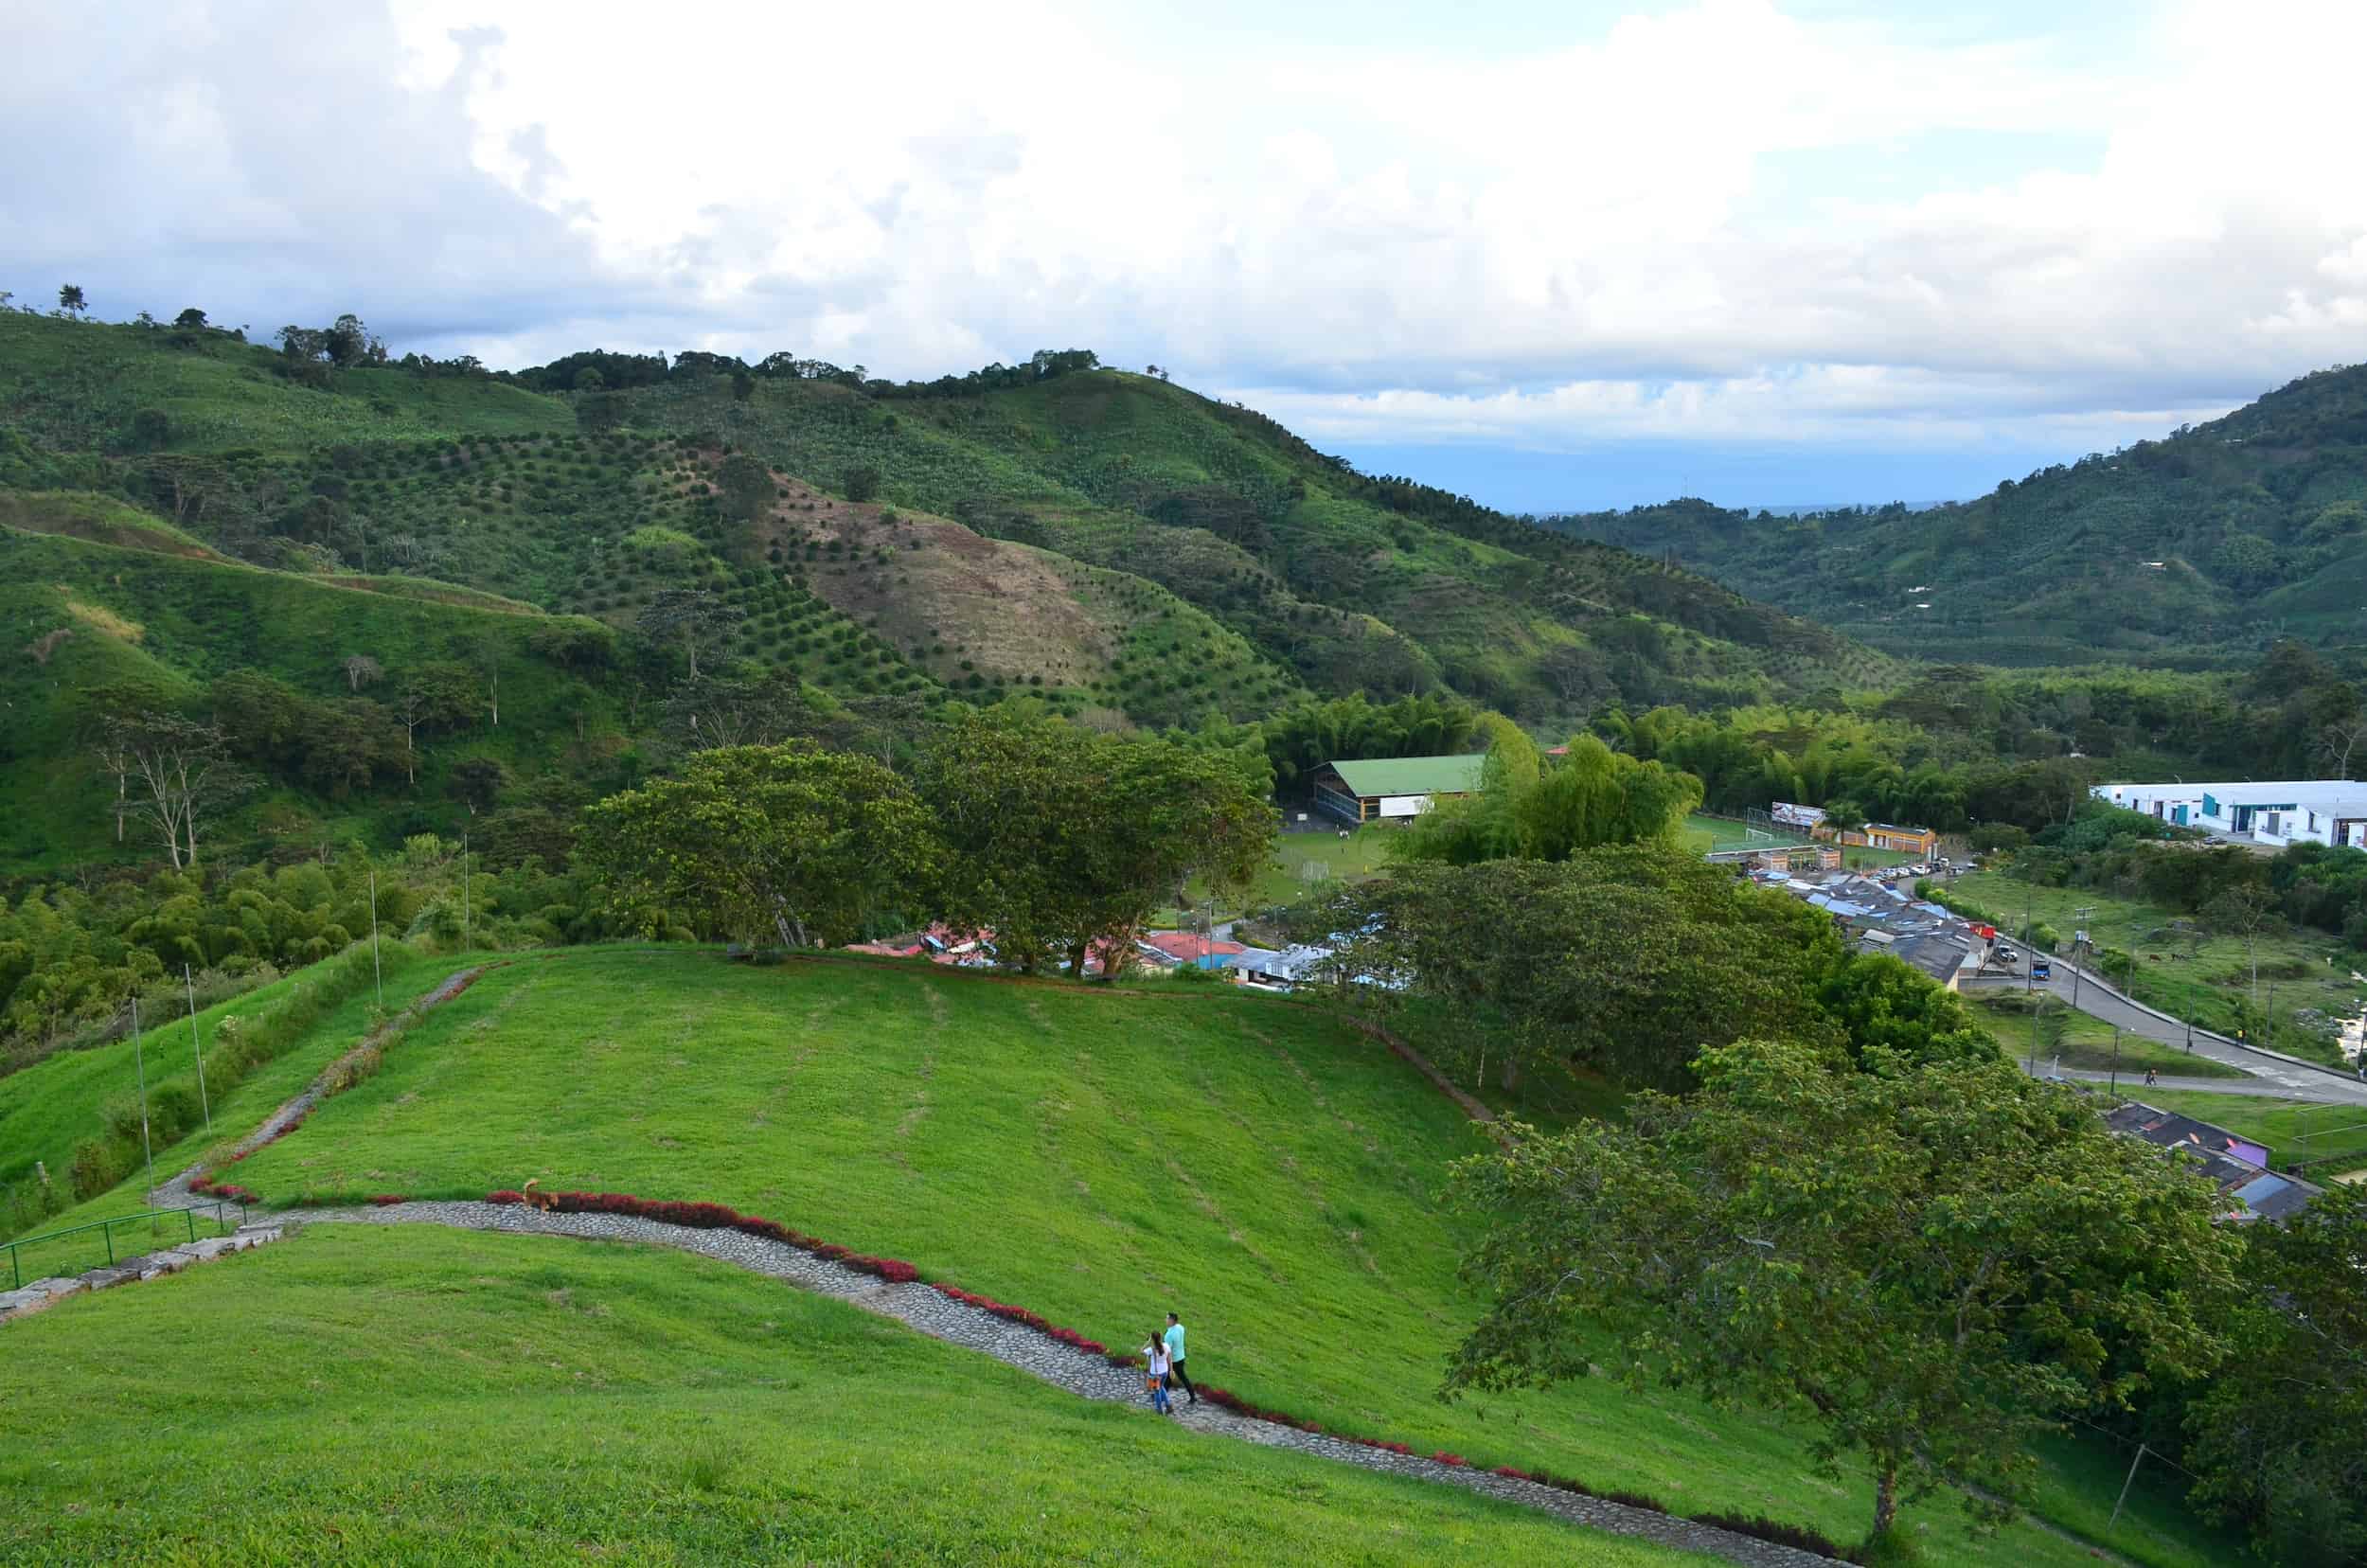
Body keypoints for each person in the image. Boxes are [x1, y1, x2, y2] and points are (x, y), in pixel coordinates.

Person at [1163, 1311, 1197, 1405]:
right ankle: (1161, 1394)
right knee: (1169, 1379)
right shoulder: (1180, 1328)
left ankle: (1193, 1396)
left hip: (1173, 1360)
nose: (1165, 1320)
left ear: (1172, 1321)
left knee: (1178, 1378)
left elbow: (1167, 1351)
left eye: (1167, 1318)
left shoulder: (1169, 1335)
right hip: (1181, 1356)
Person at [1144, 1331, 1173, 1415]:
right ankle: (1168, 1406)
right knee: (1161, 1387)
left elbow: (1141, 1351)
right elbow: (1170, 1358)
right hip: (1165, 1371)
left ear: (1152, 1339)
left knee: (1157, 1392)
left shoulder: (1151, 1350)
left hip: (1155, 1374)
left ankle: (1159, 1410)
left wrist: (1147, 1342)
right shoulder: (1166, 1346)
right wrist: (1171, 1369)